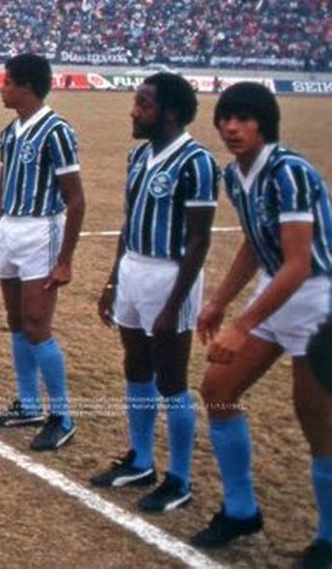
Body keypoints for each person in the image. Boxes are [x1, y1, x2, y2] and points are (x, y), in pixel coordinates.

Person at [190, 83, 332, 564]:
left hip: (317, 301)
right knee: (219, 390)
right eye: (226, 118)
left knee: (316, 416)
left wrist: (242, 324)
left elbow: (296, 263)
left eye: (244, 119)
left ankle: (328, 539)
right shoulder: (236, 175)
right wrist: (219, 303)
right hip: (276, 294)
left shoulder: (289, 172)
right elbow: (255, 241)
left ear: (264, 124)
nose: (232, 128)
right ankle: (241, 509)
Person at [90, 73, 220, 514]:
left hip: (171, 276)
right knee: (136, 366)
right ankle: (141, 459)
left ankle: (179, 478)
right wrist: (112, 280)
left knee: (171, 378)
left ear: (170, 113)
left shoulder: (196, 162)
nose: (133, 110)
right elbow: (129, 224)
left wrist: (173, 304)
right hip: (134, 270)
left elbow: (200, 240)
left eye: (143, 104)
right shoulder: (138, 156)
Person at [0, 53, 85, 452]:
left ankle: (62, 415)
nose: (1, 89)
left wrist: (66, 258)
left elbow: (75, 199)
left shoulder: (56, 131)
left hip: (42, 230)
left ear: (25, 86)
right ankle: (27, 403)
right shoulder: (10, 132)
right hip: (11, 230)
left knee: (39, 323)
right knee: (17, 321)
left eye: (6, 83)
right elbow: (3, 191)